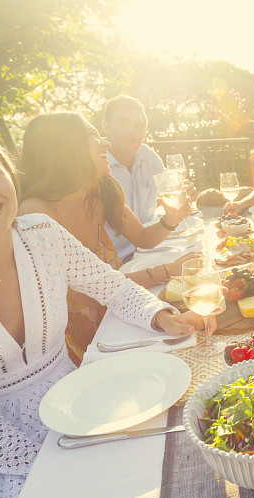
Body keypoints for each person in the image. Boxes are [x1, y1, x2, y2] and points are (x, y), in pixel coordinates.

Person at [0, 113, 205, 498]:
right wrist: (59, 470)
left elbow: (113, 286)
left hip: (76, 397)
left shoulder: (40, 233)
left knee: (176, 465)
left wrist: (160, 315)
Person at [18, 112, 198, 365]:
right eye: (91, 135)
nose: (106, 143)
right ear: (63, 147)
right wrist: (167, 270)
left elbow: (144, 238)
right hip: (83, 345)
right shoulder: (34, 214)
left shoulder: (101, 190)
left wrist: (170, 218)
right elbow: (87, 292)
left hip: (125, 312)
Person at [102, 95, 196, 261]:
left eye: (138, 125)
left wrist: (183, 195)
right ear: (106, 127)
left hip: (151, 249)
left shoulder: (147, 155)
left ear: (145, 133)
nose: (131, 130)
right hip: (117, 262)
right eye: (123, 122)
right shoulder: (98, 167)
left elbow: (170, 188)